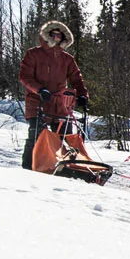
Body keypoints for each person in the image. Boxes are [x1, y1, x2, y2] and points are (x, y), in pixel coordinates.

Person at [17, 20, 88, 169]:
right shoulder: (34, 54)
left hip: (60, 103)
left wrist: (82, 95)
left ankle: (63, 167)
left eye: (59, 36)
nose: (56, 38)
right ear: (47, 35)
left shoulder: (67, 59)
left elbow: (76, 79)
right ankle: (28, 168)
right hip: (38, 100)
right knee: (37, 136)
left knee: (65, 137)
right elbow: (24, 76)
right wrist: (40, 89)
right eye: (53, 35)